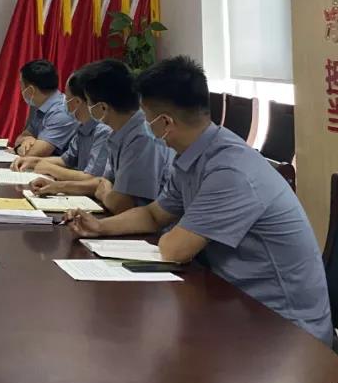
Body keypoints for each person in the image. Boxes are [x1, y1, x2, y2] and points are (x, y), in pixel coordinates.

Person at [65, 56, 333, 346]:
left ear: (165, 122)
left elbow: (176, 249)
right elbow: (154, 215)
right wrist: (100, 228)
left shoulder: (230, 170)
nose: (144, 125)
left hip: (284, 330)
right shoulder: (193, 156)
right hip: (232, 302)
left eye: (146, 117)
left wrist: (173, 233)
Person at [31, 59, 172, 213]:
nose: (87, 107)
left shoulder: (142, 138)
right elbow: (100, 182)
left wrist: (105, 192)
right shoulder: (119, 131)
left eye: (88, 102)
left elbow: (121, 204)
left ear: (102, 107)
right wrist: (57, 187)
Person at [12, 70, 111, 179]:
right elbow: (65, 160)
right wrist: (33, 161)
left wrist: (50, 169)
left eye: (67, 99)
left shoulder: (103, 131)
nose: (64, 103)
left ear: (77, 102)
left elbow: (92, 178)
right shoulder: (83, 127)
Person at [13, 59, 76, 158]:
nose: (20, 89)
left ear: (30, 90)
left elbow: (33, 154)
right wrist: (27, 139)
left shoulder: (62, 112)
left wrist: (19, 148)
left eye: (21, 84)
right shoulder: (41, 107)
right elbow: (21, 138)